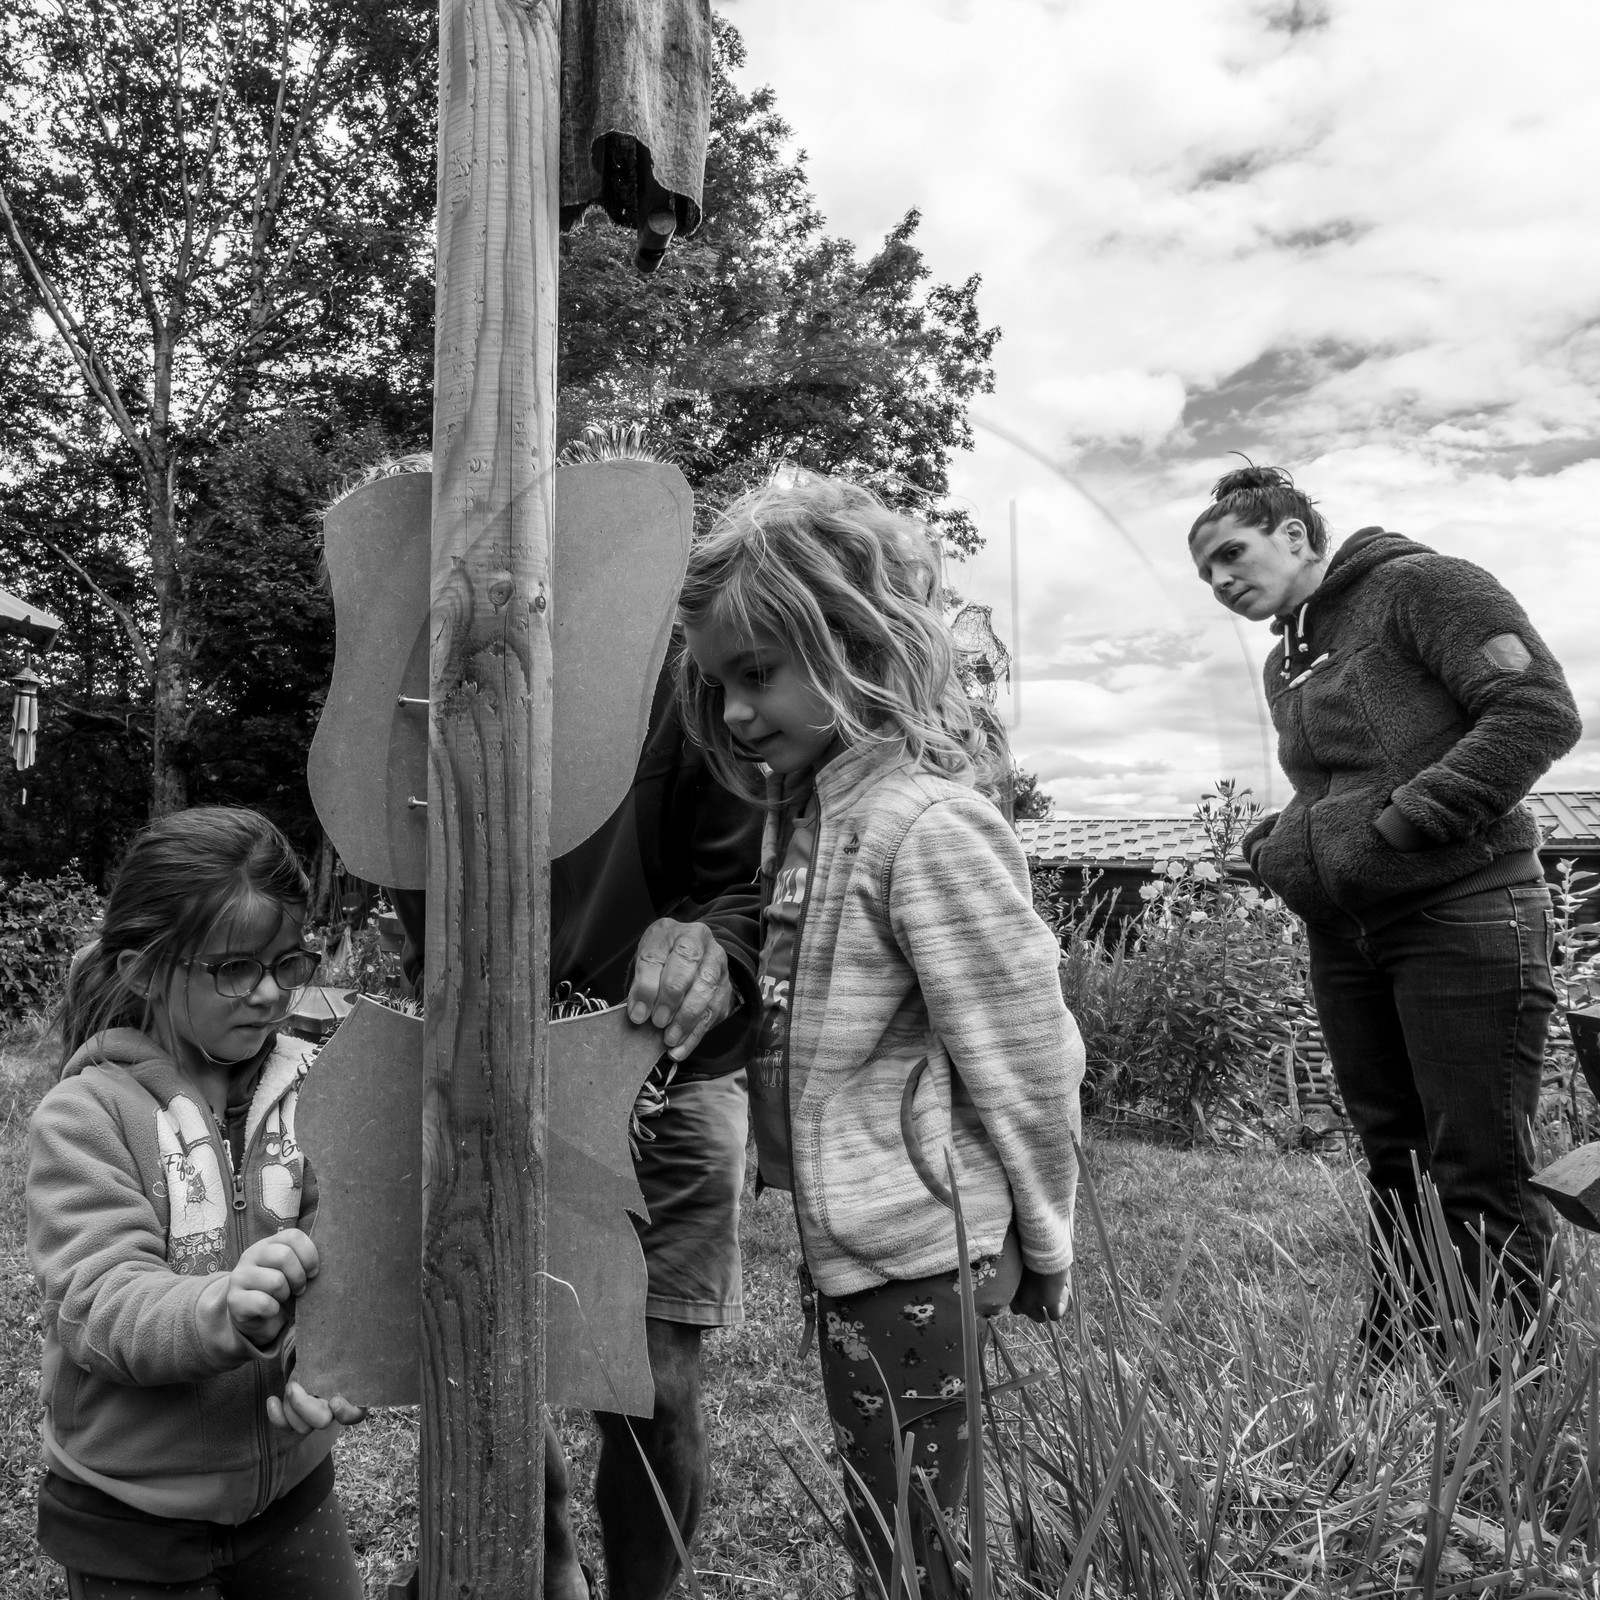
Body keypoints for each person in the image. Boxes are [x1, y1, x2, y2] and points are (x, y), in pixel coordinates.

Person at [676, 473, 1084, 1597]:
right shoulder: (811, 818)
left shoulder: (926, 824)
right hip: (856, 1236)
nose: (736, 713)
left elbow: (1027, 1051)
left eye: (756, 675)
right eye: (720, 686)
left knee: (914, 1526)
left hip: (921, 1240)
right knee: (883, 1505)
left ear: (854, 643)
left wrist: (1042, 1233)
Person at [1188, 464, 1582, 1353]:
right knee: (1394, 1157)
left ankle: (1502, 1381)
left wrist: (1412, 825)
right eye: (1206, 573)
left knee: (1480, 1163)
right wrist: (1275, 847)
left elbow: (1535, 710)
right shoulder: (1286, 659)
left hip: (1462, 910)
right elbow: (1331, 787)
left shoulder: (1422, 586)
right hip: (1349, 934)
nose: (1220, 581)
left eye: (1231, 553)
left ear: (1295, 534)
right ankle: (1401, 1348)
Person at [392, 660, 762, 1600]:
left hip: (663, 1066)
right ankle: (549, 1565)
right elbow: (409, 871)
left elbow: (747, 890)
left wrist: (713, 950)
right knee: (487, 1335)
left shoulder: (689, 682)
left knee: (650, 1381)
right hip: (483, 1055)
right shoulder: (428, 665)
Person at [28, 807, 367, 1600]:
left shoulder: (322, 1087)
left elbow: (350, 1249)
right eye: (233, 969)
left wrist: (327, 1353)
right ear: (145, 969)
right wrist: (225, 1309)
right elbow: (98, 1302)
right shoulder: (87, 1117)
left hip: (295, 1499)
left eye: (287, 963)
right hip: (135, 1526)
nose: (268, 994)